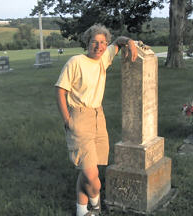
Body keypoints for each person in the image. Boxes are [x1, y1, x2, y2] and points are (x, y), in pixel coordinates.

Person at [55, 24, 137, 216]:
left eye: (102, 43)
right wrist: (68, 120)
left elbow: (119, 41)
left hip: (99, 117)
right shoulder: (76, 62)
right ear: (87, 42)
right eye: (94, 42)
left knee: (87, 170)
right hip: (79, 116)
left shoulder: (104, 58)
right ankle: (96, 201)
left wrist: (130, 42)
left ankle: (82, 211)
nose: (99, 46)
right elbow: (60, 90)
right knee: (92, 176)